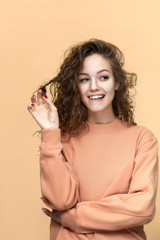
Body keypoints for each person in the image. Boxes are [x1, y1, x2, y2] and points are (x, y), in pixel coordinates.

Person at [27, 38, 159, 240]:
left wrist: (74, 218)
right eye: (84, 79)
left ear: (117, 83)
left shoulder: (142, 139)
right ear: (76, 87)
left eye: (103, 77)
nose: (94, 87)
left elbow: (142, 207)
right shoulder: (62, 139)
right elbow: (60, 201)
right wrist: (50, 131)